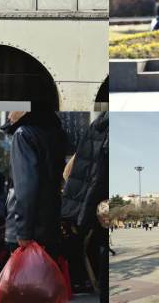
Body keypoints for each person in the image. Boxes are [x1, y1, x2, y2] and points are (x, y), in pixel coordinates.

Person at [3, 111, 67, 259]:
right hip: (50, 223)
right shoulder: (56, 133)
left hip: (29, 229)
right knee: (46, 276)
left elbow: (25, 188)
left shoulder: (22, 134)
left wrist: (23, 232)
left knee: (22, 278)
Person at [61, 112, 109, 296]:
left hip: (91, 204)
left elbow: (73, 172)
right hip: (101, 203)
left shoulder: (96, 126)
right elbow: (98, 175)